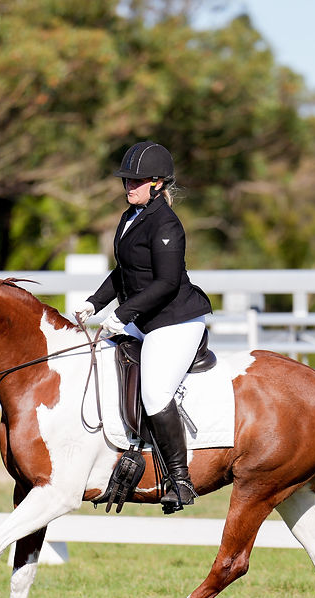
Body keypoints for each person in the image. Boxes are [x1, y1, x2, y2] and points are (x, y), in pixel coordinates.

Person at [72, 141, 213, 511]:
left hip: (175, 320)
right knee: (99, 355)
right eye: (126, 180)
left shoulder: (167, 224)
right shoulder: (129, 217)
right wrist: (94, 304)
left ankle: (180, 479)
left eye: (136, 181)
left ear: (158, 183)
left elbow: (166, 283)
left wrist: (123, 314)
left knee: (154, 393)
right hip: (146, 317)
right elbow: (124, 272)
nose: (128, 186)